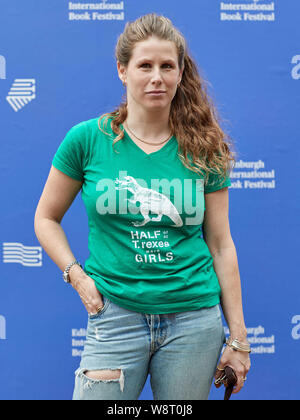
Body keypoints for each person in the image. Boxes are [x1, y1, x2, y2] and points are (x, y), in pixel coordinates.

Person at [34, 13, 251, 400]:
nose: (157, 77)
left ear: (181, 72)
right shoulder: (87, 140)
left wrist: (238, 338)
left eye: (167, 66)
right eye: (145, 65)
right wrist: (76, 276)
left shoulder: (205, 148)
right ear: (122, 70)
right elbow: (45, 218)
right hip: (114, 318)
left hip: (194, 322)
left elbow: (220, 244)